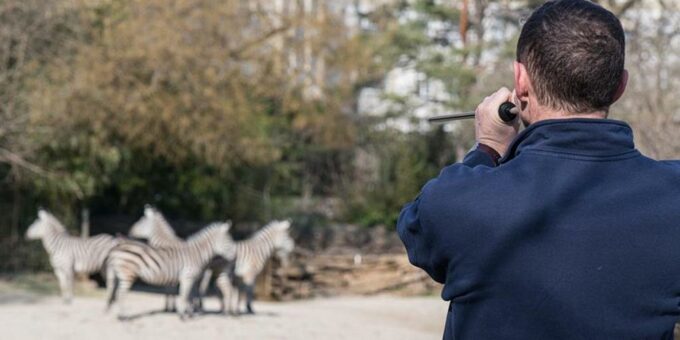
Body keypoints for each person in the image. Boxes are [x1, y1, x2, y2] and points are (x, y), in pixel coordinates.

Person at [396, 0, 680, 339]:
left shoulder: (463, 201)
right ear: (620, 86)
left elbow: (416, 229)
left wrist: (488, 147)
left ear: (521, 80)